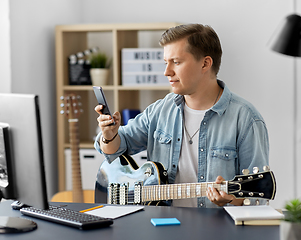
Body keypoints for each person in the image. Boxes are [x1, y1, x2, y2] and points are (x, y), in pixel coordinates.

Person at [94, 23, 269, 208]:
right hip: (160, 229)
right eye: (165, 62)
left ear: (205, 63)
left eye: (176, 62)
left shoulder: (247, 119)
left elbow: (258, 197)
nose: (166, 72)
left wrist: (232, 199)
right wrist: (109, 135)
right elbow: (118, 148)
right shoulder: (161, 110)